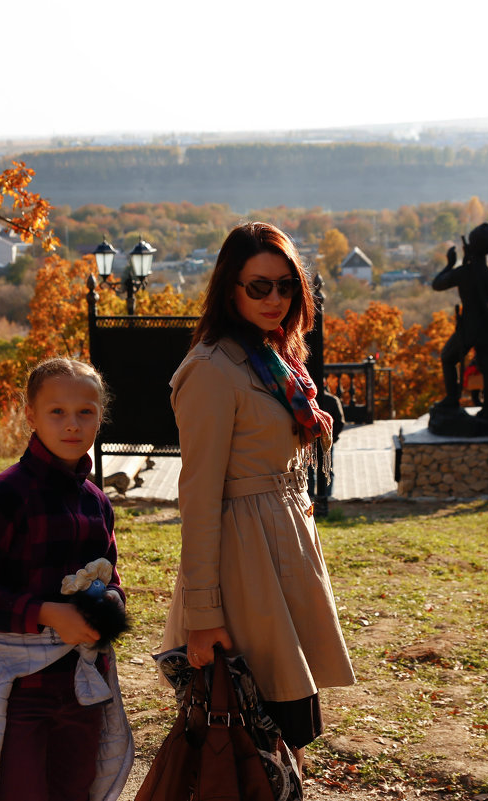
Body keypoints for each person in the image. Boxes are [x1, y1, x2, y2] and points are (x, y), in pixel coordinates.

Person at [161, 222, 355, 775]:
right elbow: (197, 500)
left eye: (286, 286)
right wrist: (203, 615)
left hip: (285, 556)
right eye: (259, 287)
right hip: (243, 571)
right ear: (230, 291)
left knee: (284, 741)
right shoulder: (211, 371)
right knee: (247, 741)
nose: (275, 299)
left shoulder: (276, 361)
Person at [0, 358, 133, 801]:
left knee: (77, 791)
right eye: (57, 411)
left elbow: (110, 577)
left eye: (86, 412)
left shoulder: (97, 502)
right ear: (30, 415)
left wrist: (111, 604)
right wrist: (45, 612)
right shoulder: (4, 495)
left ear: (100, 415)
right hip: (19, 692)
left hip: (83, 686)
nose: (72, 424)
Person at [431, 222, 488, 413]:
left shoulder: (465, 272)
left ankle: (452, 399)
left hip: (470, 325)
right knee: (487, 364)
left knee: (447, 357)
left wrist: (450, 265)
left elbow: (437, 284)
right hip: (487, 325)